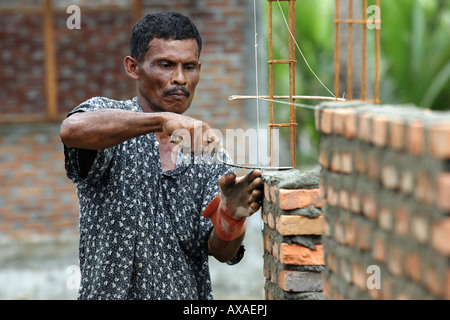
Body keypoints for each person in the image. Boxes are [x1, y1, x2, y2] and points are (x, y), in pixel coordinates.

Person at [60, 11, 263, 300]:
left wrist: (231, 217)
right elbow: (71, 129)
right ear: (133, 67)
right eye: (166, 65)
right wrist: (159, 121)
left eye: (189, 67)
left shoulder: (208, 151)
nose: (180, 79)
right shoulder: (110, 122)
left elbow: (221, 251)